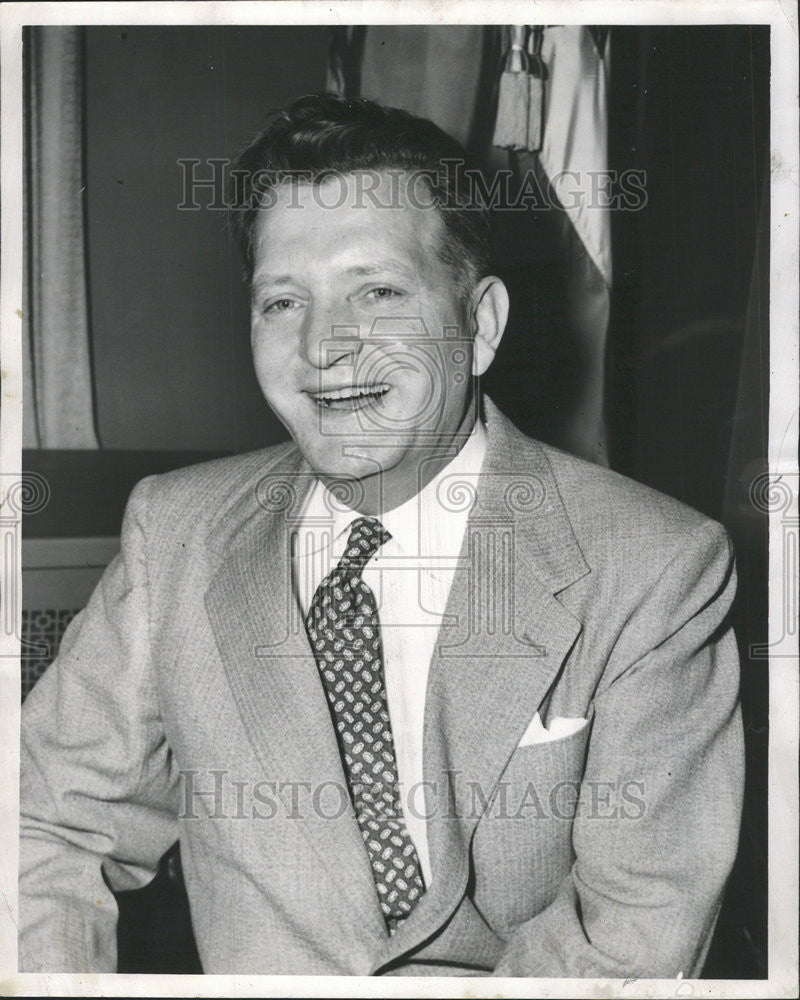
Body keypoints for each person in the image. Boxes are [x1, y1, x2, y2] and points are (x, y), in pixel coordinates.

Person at [19, 94, 743, 978]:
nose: (326, 346)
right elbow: (42, 822)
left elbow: (635, 930)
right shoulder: (175, 535)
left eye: (379, 291)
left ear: (479, 326)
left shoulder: (656, 568)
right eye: (283, 301)